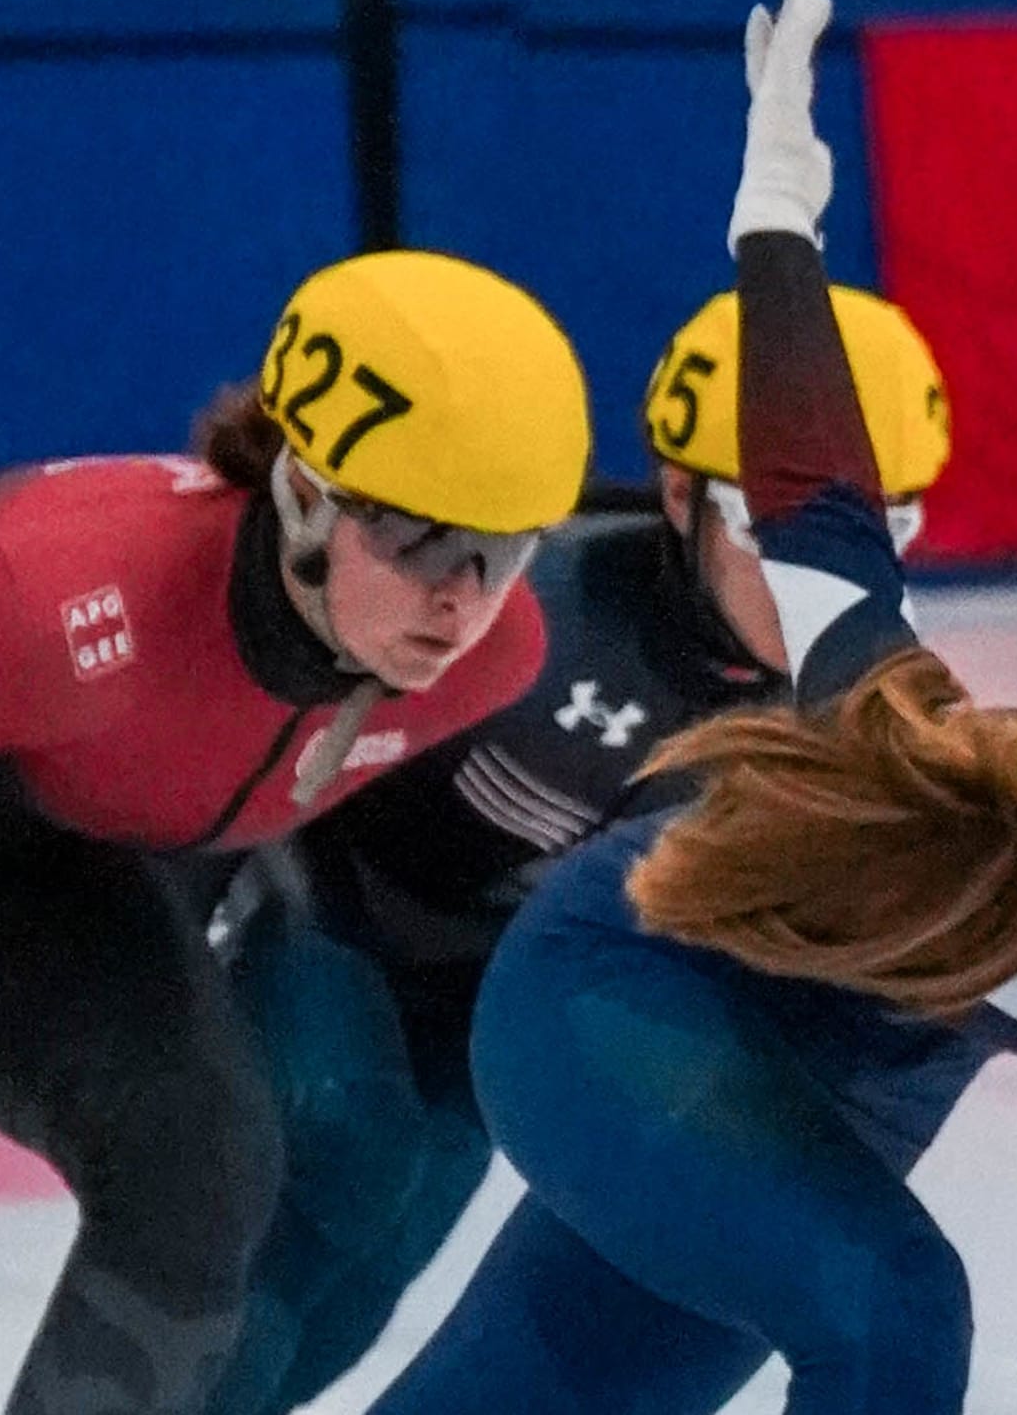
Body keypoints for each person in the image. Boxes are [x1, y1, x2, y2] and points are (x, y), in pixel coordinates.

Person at [366, 0, 1017, 1415]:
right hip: (627, 985)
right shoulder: (913, 756)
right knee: (896, 1311)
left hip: (845, 1087)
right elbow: (814, 507)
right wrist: (777, 228)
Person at [0, 250, 590, 1415]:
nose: (461, 596)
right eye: (425, 540)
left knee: (202, 1165)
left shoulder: (493, 656)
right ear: (300, 490)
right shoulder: (61, 616)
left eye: (505, 549)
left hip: (41, 873)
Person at [205, 283, 955, 1415]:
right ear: (678, 495)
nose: (823, 583)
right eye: (777, 534)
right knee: (351, 1151)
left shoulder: (843, 702)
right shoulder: (530, 600)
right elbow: (266, 722)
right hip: (336, 903)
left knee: (372, 1267)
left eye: (876, 533)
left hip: (499, 984)